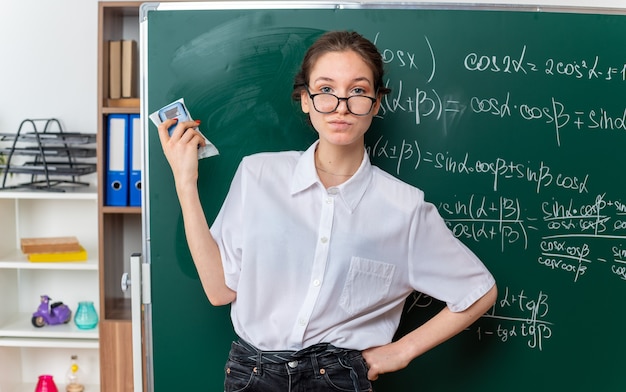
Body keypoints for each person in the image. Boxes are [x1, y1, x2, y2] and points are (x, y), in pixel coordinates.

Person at [158, 30, 497, 392]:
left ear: (376, 103)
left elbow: (478, 289)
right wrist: (185, 182)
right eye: (325, 90)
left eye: (358, 91)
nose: (341, 106)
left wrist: (402, 350)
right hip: (252, 375)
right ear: (305, 100)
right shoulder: (258, 175)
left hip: (339, 378)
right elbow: (219, 290)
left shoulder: (404, 207)